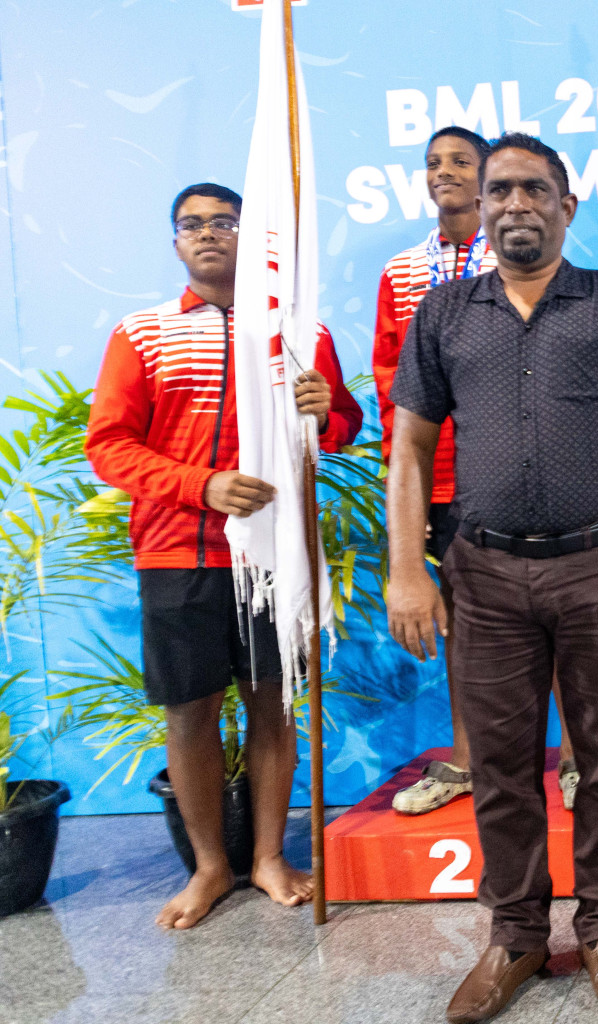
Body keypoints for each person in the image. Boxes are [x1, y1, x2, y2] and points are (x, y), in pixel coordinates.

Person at [386, 133, 598, 1019]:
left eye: (533, 189)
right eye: (499, 190)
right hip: (481, 575)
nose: (515, 203)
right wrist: (408, 568)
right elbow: (407, 445)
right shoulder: (445, 314)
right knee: (504, 770)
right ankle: (515, 937)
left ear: (567, 205)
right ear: (479, 208)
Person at [85, 183, 363, 929]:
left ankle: (269, 857)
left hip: (274, 553)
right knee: (190, 710)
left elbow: (340, 426)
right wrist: (198, 485)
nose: (207, 234)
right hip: (176, 551)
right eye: (191, 224)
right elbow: (108, 446)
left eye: (223, 222)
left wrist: (324, 410)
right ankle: (210, 867)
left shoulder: (301, 330)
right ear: (175, 241)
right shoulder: (142, 333)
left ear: (253, 235)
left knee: (272, 701)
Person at [374, 126, 581, 815]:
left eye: (460, 161)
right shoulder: (403, 273)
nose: (445, 173)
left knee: (551, 616)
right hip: (439, 481)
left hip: (512, 472)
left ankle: (576, 758)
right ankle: (467, 760)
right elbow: (391, 374)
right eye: (433, 163)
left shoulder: (519, 260)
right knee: (468, 628)